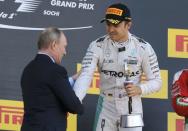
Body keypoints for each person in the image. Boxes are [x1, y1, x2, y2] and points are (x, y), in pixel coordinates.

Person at [73, 3, 162, 131]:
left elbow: (157, 82)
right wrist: (76, 100)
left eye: (116, 25)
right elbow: (86, 74)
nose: (110, 29)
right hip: (106, 105)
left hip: (131, 106)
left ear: (128, 25)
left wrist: (140, 89)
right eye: (108, 24)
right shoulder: (97, 46)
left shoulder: (143, 48)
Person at [20, 27, 84, 131]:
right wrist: (79, 102)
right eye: (64, 47)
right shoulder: (56, 71)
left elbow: (48, 90)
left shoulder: (28, 69)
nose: (65, 52)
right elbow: (74, 106)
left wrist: (74, 78)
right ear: (54, 45)